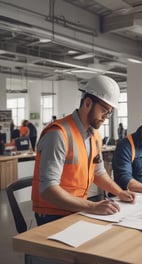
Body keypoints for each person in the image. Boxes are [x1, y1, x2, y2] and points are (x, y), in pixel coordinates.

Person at [32, 75, 135, 226]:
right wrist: (93, 206)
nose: (106, 117)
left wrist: (120, 192)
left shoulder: (94, 136)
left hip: (77, 209)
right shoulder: (59, 134)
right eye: (104, 111)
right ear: (87, 103)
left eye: (109, 112)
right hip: (53, 215)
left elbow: (98, 173)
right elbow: (48, 188)